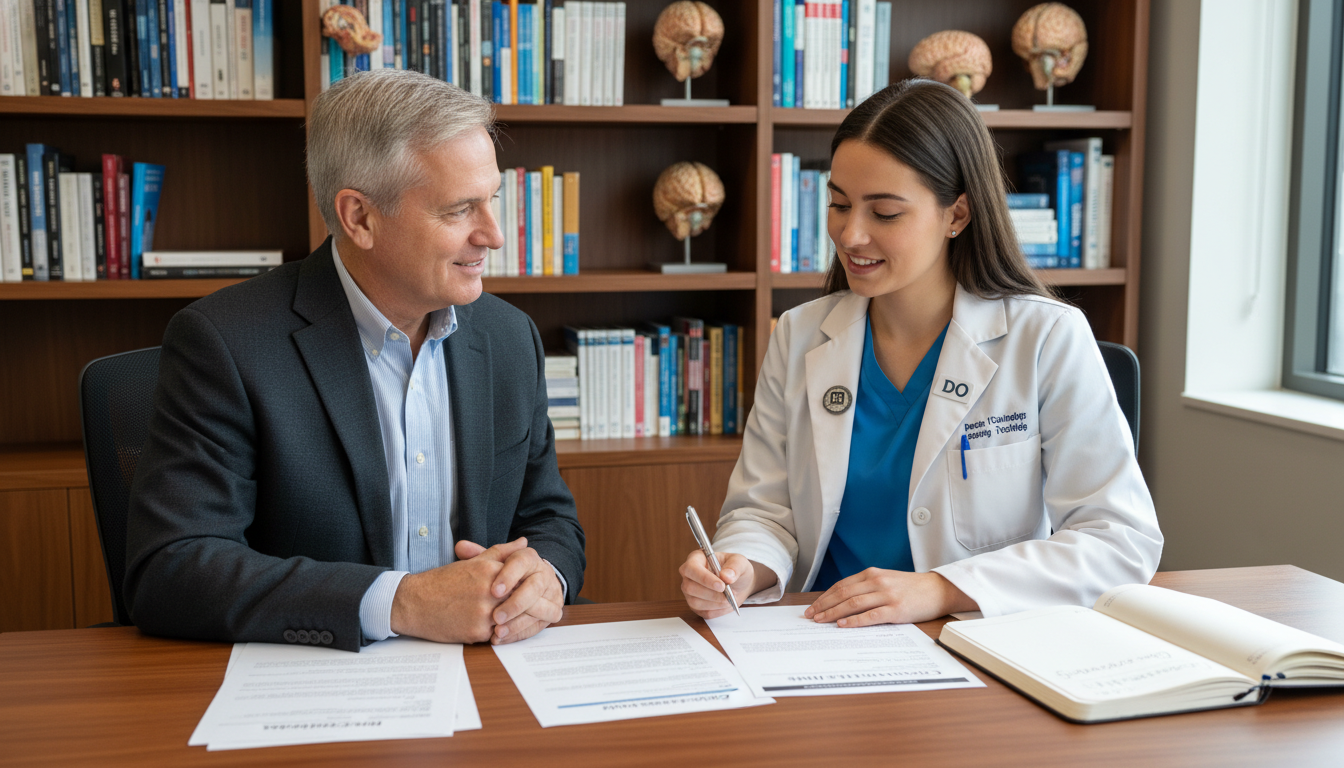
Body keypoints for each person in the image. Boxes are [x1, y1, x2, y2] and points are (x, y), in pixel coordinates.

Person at [124, 70, 585, 652]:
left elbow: (551, 521)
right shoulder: (225, 342)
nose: (493, 235)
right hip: (316, 685)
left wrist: (546, 578)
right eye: (459, 210)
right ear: (359, 217)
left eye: (491, 200)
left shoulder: (509, 336)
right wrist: (404, 602)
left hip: (488, 675)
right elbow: (172, 568)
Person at [680, 79, 1162, 626]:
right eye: (839, 204)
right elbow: (763, 510)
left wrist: (941, 589)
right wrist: (745, 565)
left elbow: (1119, 540)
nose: (850, 234)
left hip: (976, 640)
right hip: (824, 635)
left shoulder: (1046, 337)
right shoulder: (800, 334)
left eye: (884, 213)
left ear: (957, 215)